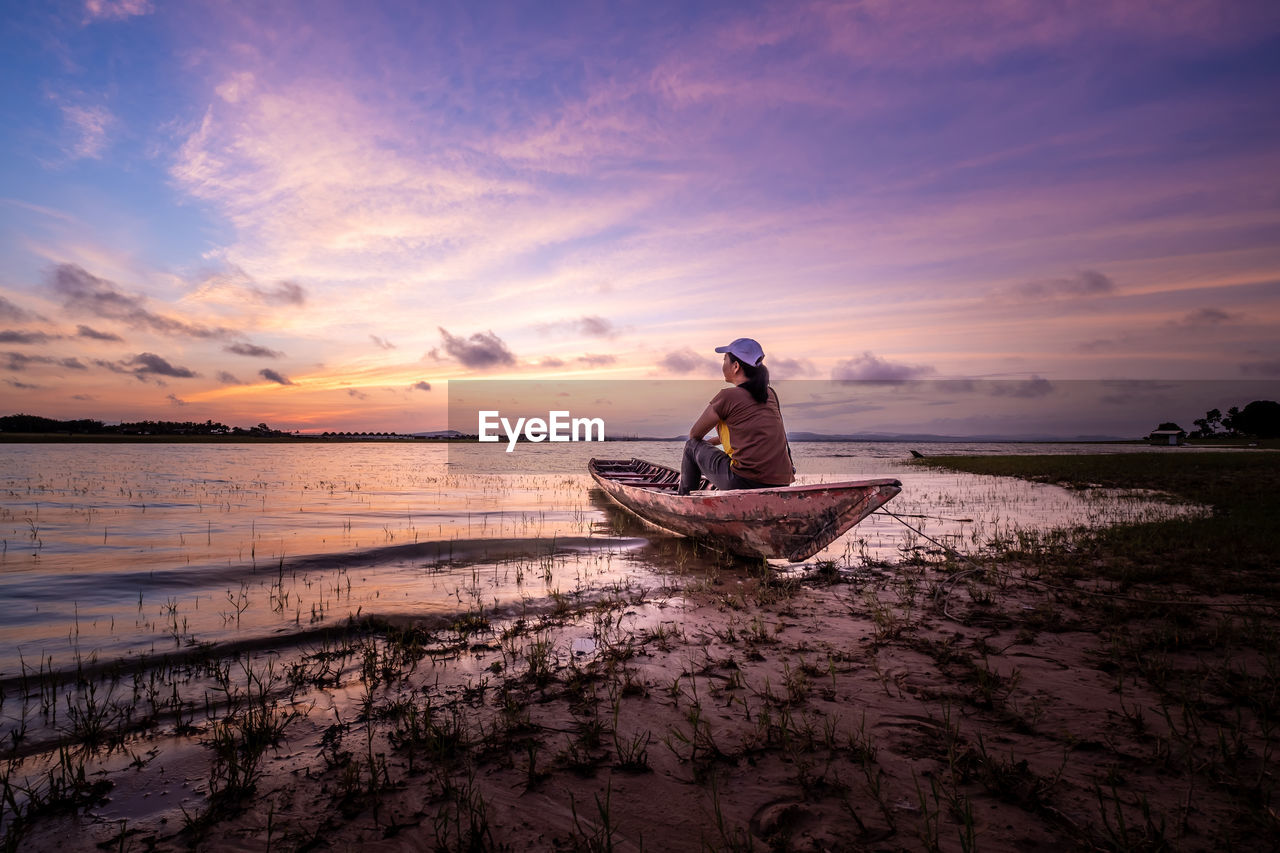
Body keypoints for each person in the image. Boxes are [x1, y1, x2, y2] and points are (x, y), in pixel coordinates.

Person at [678, 337, 794, 495]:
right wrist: (711, 443)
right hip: (782, 482)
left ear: (736, 366)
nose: (723, 364)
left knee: (691, 445)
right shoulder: (770, 394)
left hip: (743, 481)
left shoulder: (727, 397)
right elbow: (749, 432)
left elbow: (695, 435)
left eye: (724, 359)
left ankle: (684, 500)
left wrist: (703, 447)